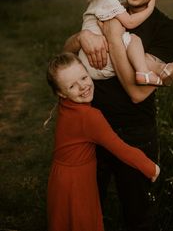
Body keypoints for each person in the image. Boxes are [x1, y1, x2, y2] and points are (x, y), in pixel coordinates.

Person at [63, 0, 173, 231]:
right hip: (89, 128)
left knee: (138, 217)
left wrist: (110, 35)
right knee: (86, 209)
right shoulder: (108, 3)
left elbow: (137, 93)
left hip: (135, 133)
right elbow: (66, 57)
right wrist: (81, 37)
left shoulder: (166, 29)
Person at [45, 52, 160, 231]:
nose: (83, 86)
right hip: (77, 182)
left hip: (59, 177)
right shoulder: (90, 117)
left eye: (83, 77)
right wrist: (150, 167)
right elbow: (120, 148)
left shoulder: (66, 106)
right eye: (72, 86)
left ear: (88, 71)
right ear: (61, 93)